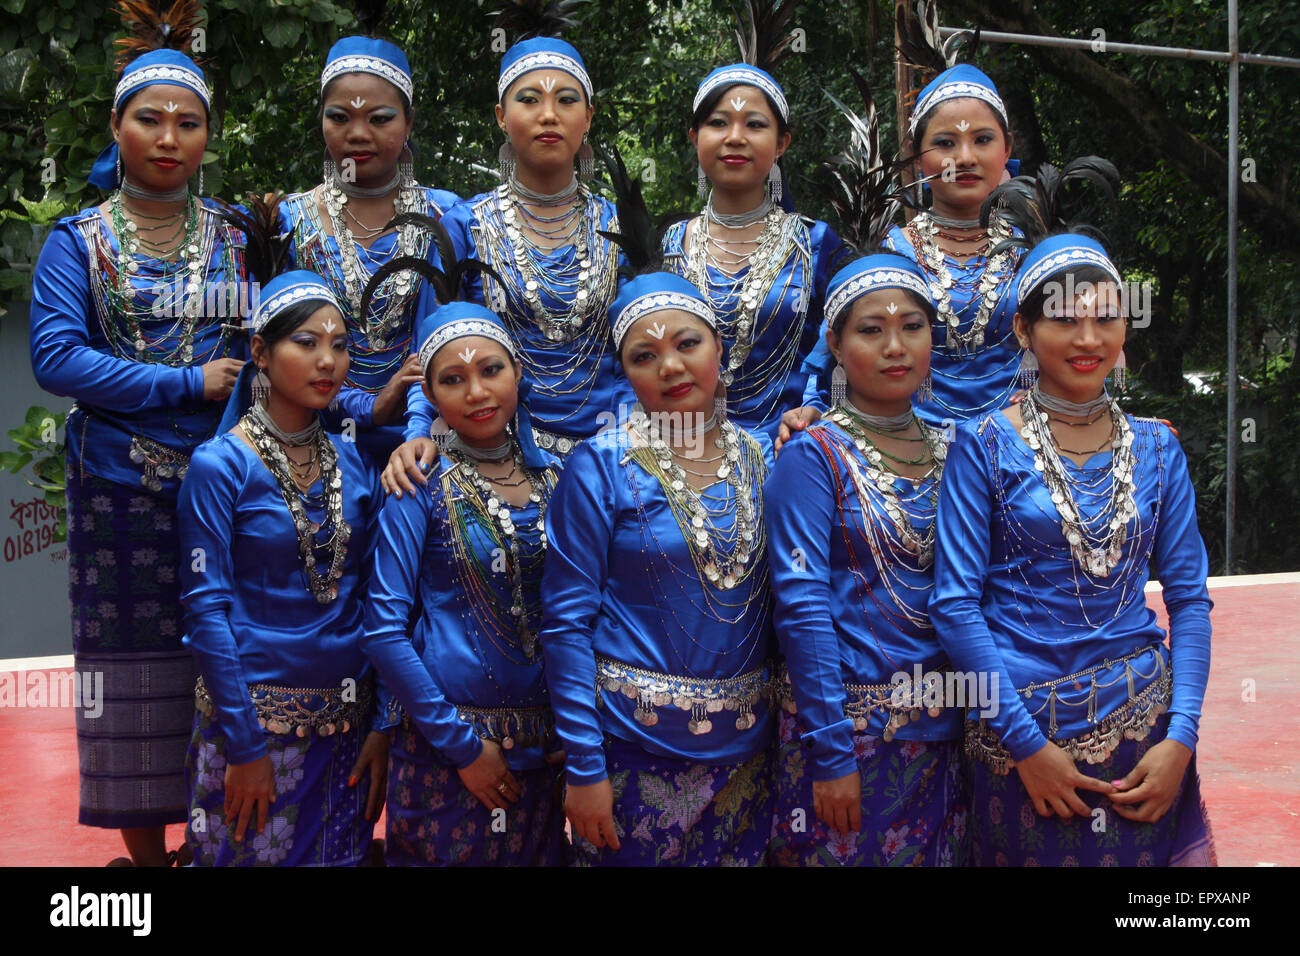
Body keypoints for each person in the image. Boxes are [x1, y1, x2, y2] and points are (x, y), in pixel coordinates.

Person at [29, 18, 249, 866]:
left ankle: (231, 840)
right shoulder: (76, 242)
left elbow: (267, 346)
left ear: (206, 136)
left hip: (227, 484)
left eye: (187, 122)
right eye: (149, 119)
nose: (168, 138)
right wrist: (186, 384)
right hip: (119, 487)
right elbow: (57, 359)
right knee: (128, 672)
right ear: (117, 129)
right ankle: (150, 863)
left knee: (230, 653)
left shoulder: (238, 236)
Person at [930, 234, 1216, 866]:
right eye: (1064, 319)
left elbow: (1191, 601)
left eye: (1105, 317)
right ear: (1024, 330)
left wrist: (1181, 741)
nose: (1089, 339)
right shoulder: (983, 446)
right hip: (1021, 740)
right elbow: (954, 606)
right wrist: (1027, 748)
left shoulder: (1157, 448)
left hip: (1146, 735)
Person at [540, 272, 774, 866]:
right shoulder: (601, 465)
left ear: (720, 348)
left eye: (687, 344)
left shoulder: (766, 458)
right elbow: (565, 625)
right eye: (645, 355)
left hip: (746, 753)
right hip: (629, 749)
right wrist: (585, 767)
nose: (671, 367)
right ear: (625, 373)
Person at [178, 271, 390, 866]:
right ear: (260, 354)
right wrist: (244, 748)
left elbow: (380, 605)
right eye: (306, 342)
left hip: (346, 731)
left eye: (341, 345)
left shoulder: (357, 465)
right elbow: (205, 613)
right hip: (248, 728)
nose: (328, 360)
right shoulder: (220, 467)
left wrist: (382, 726)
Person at [765, 254, 968, 866]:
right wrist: (830, 751)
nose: (895, 346)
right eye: (871, 330)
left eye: (912, 326)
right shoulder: (810, 455)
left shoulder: (962, 448)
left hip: (950, 732)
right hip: (849, 736)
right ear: (834, 342)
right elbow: (802, 608)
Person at [361, 301, 566, 866]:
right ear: (429, 393)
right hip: (446, 754)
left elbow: (583, 615)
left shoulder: (561, 478)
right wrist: (463, 748)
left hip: (545, 753)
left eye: (491, 371)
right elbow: (383, 630)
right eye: (453, 379)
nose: (476, 392)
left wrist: (578, 729)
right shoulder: (416, 484)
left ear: (518, 371)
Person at [391, 36, 626, 480]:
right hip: (494, 454)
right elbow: (433, 343)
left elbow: (640, 350)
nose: (549, 114)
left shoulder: (619, 229)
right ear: (501, 116)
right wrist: (419, 429)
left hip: (611, 452)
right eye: (530, 99)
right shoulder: (465, 226)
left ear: (589, 117)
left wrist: (632, 432)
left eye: (567, 100)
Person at [788, 64, 1024, 439]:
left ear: (1007, 148)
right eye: (945, 143)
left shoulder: (1034, 256)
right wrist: (813, 409)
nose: (964, 158)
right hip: (907, 457)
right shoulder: (888, 254)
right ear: (917, 157)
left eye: (982, 139)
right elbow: (831, 357)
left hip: (1020, 456)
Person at [279, 36, 461, 465]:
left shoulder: (447, 216)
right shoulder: (288, 223)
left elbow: (443, 337)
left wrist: (417, 427)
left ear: (409, 123)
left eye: (379, 118)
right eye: (339, 117)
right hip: (312, 439)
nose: (358, 134)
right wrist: (367, 407)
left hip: (425, 434)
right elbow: (276, 350)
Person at [662, 62, 842, 442]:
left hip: (789, 449)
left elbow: (842, 346)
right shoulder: (670, 246)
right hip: (684, 453)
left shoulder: (814, 244)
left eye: (755, 124)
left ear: (781, 144)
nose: (735, 137)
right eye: (718, 123)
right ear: (694, 137)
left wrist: (813, 408)